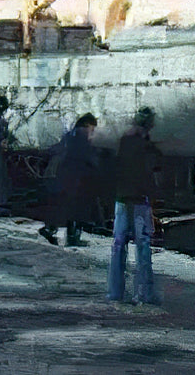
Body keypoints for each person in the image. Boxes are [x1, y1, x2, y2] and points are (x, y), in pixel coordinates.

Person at [106, 106, 162, 305]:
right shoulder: (146, 146)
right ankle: (145, 293)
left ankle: (115, 292)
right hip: (139, 201)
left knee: (119, 245)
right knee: (143, 246)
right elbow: (149, 174)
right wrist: (153, 197)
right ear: (150, 125)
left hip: (122, 199)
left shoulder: (124, 142)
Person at [38, 113, 99, 247]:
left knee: (65, 206)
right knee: (77, 208)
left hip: (65, 176)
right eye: (92, 128)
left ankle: (50, 228)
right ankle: (72, 237)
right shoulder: (82, 136)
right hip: (76, 178)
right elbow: (87, 156)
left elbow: (57, 149)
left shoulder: (70, 135)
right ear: (86, 125)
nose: (93, 132)